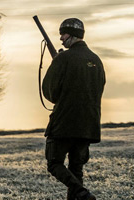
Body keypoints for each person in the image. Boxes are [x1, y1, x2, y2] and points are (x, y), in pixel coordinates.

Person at [42, 18, 106, 200]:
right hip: (88, 124)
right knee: (76, 169)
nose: (61, 38)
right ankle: (81, 195)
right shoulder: (96, 60)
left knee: (54, 163)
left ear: (72, 34)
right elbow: (98, 90)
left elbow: (50, 93)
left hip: (64, 123)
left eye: (63, 34)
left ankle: (82, 194)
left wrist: (56, 65)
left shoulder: (64, 58)